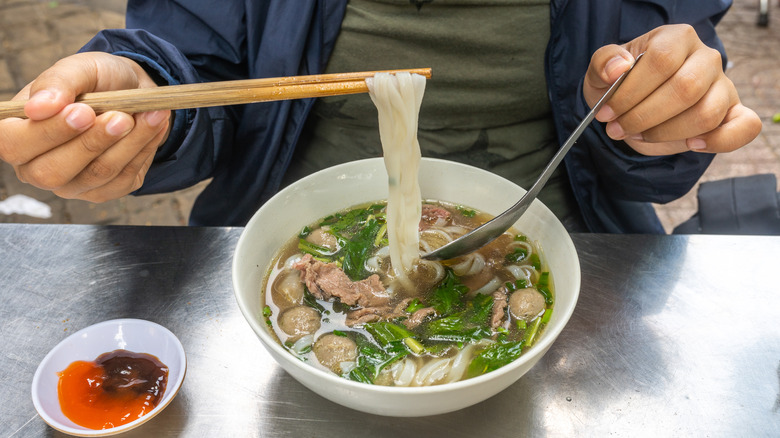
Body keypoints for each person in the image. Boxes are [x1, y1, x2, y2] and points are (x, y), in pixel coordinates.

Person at [0, 0, 762, 233]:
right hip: (282, 212)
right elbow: (190, 64)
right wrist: (143, 101)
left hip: (569, 226)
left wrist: (661, 114)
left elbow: (654, 151)